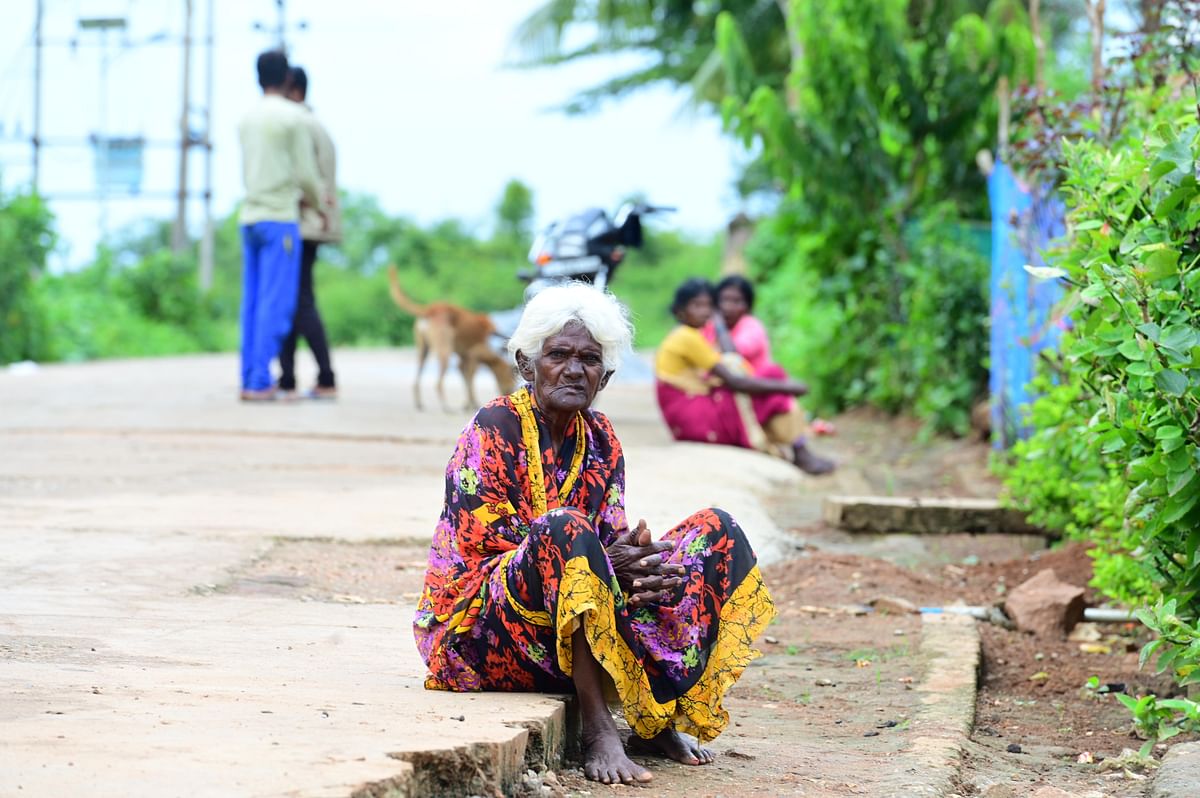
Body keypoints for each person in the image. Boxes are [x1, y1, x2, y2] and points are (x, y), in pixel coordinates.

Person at [414, 284, 776, 786]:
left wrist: (643, 567)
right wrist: (604, 559)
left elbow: (610, 545)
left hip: (565, 628)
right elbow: (494, 552)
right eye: (558, 355)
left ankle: (657, 716)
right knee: (565, 529)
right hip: (480, 632)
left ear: (604, 376)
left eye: (589, 359)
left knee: (716, 532)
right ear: (526, 365)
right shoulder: (494, 427)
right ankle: (598, 730)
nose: (574, 369)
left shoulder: (601, 437)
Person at [655, 278, 835, 475]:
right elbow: (734, 375)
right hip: (694, 417)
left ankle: (798, 447)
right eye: (697, 305)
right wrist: (789, 386)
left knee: (772, 382)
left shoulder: (743, 327)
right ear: (680, 311)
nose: (705, 312)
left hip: (698, 408)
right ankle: (799, 449)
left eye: (708, 306)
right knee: (773, 384)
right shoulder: (687, 336)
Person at [236, 50, 325, 402]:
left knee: (253, 302)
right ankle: (259, 381)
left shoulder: (245, 119)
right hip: (279, 220)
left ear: (258, 77)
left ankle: (249, 375)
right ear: (287, 79)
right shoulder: (293, 118)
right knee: (277, 303)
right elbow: (305, 173)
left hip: (249, 218)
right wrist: (320, 203)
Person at [276, 66, 339, 400]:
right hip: (312, 223)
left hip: (302, 222)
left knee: (298, 302)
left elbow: (305, 177)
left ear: (294, 92)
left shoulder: (298, 124)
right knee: (295, 300)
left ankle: (325, 377)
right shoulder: (315, 124)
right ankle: (287, 377)